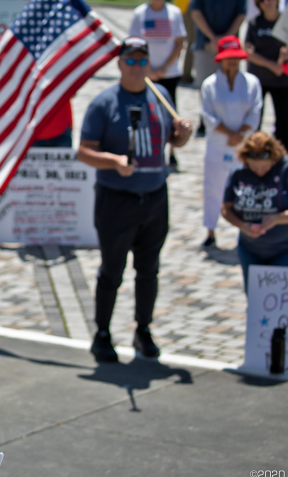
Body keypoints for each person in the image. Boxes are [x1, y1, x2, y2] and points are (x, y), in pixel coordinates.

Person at [77, 37, 192, 363]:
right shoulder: (105, 103)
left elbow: (173, 141)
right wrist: (114, 162)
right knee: (112, 269)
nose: (137, 67)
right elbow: (84, 152)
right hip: (117, 199)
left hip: (155, 196)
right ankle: (102, 333)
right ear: (120, 63)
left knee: (149, 269)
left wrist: (181, 136)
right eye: (131, 61)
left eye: (143, 61)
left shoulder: (160, 95)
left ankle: (143, 329)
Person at [221, 132, 288, 293]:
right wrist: (243, 225)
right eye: (254, 167)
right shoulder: (239, 171)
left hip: (287, 248)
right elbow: (226, 208)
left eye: (265, 167)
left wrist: (277, 218)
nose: (260, 172)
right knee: (256, 300)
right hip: (250, 249)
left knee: (283, 300)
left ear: (274, 158)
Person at [200, 36, 262, 248]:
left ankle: (243, 231)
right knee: (213, 187)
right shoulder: (209, 84)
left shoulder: (252, 82)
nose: (233, 61)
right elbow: (207, 116)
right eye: (229, 58)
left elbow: (255, 111)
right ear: (220, 59)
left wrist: (241, 133)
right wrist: (229, 134)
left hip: (243, 145)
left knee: (245, 189)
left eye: (236, 57)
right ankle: (210, 230)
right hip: (218, 143)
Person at [129, 0, 187, 167]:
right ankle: (147, 148)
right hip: (144, 71)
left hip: (169, 72)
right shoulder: (140, 13)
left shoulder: (174, 12)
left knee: (170, 111)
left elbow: (179, 43)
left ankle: (172, 151)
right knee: (146, 111)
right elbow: (133, 42)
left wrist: (164, 67)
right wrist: (147, 68)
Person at [244, 0, 288, 155]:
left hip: (281, 80)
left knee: (283, 120)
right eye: (263, 0)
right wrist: (271, 65)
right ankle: (253, 152)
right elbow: (248, 51)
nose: (267, 3)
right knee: (255, 119)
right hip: (258, 79)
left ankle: (285, 156)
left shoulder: (286, 22)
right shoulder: (255, 23)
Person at [189, 0, 246, 136]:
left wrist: (225, 39)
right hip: (206, 43)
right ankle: (206, 120)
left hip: (231, 47)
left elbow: (241, 15)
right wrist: (213, 37)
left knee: (230, 82)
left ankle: (230, 119)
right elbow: (196, 13)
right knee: (204, 85)